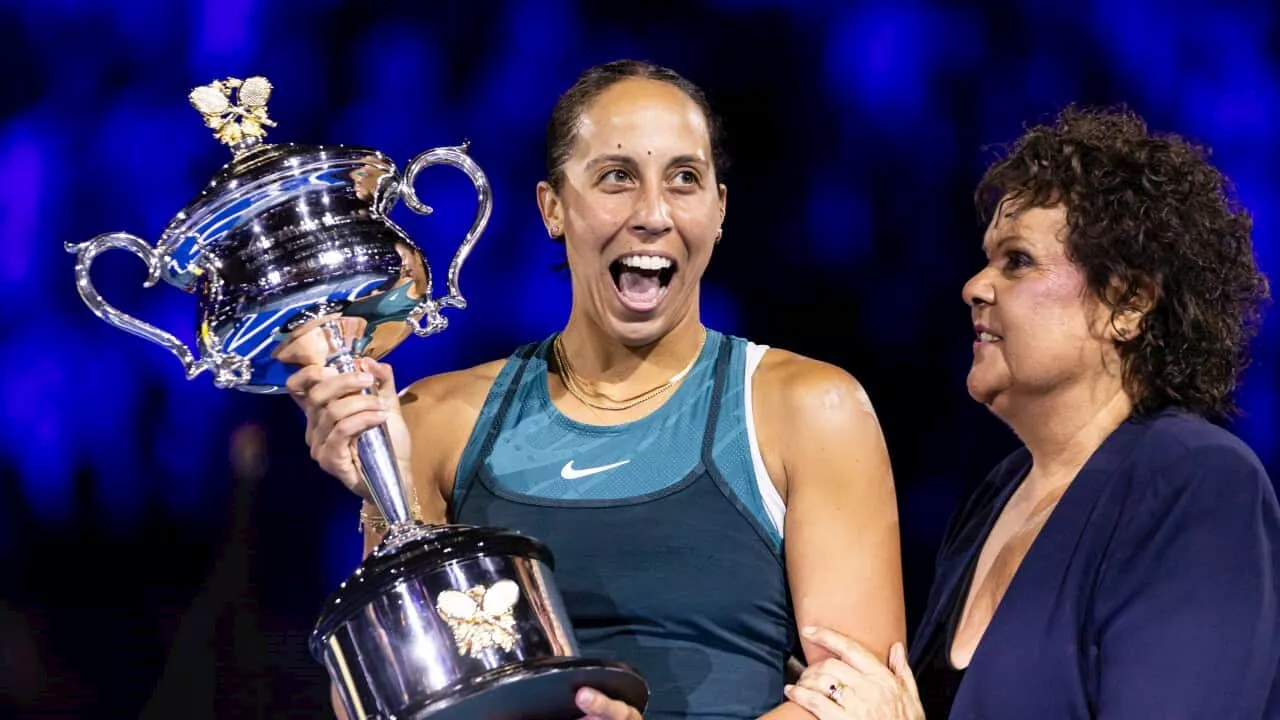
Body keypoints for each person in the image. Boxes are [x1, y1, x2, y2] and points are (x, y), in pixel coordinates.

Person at [287, 59, 907, 719]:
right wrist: (384, 493)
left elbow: (867, 701)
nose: (652, 214)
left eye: (685, 180)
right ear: (553, 207)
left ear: (720, 211)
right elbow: (388, 700)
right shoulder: (436, 420)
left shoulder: (810, 410)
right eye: (617, 178)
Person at [782, 105, 1280, 720]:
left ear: (1128, 302)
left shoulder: (1196, 482)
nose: (974, 285)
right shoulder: (993, 498)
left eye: (1017, 261)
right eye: (987, 258)